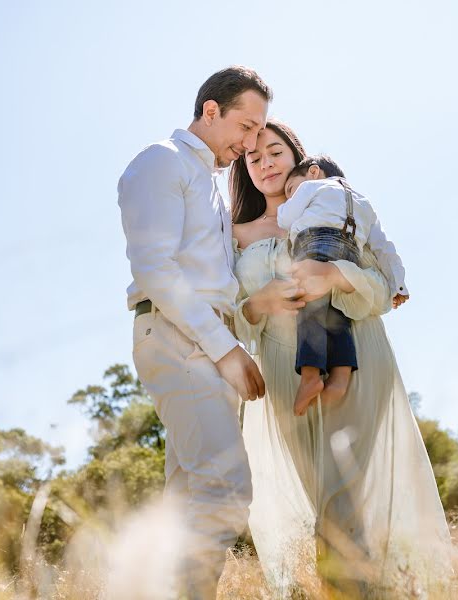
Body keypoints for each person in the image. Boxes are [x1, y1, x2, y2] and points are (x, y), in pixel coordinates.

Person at [230, 122, 452, 596]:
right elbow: (227, 317)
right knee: (319, 507)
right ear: (244, 169)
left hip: (354, 359)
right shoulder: (234, 235)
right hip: (282, 376)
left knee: (344, 509)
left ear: (298, 159)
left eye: (275, 152)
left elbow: (382, 289)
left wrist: (333, 274)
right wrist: (259, 303)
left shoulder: (334, 204)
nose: (265, 163)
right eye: (254, 158)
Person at [117, 65, 270, 599]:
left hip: (204, 344)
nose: (251, 143)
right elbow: (155, 269)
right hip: (182, 341)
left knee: (184, 501)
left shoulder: (210, 186)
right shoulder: (161, 162)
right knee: (227, 489)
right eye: (246, 127)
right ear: (210, 110)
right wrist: (225, 349)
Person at [279, 154, 410, 416]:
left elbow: (285, 219)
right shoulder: (364, 203)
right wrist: (399, 284)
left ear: (313, 172)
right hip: (349, 254)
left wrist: (287, 207)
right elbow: (385, 248)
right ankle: (340, 377)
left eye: (290, 190)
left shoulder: (311, 187)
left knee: (310, 307)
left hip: (314, 243)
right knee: (339, 313)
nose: (290, 196)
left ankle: (310, 375)